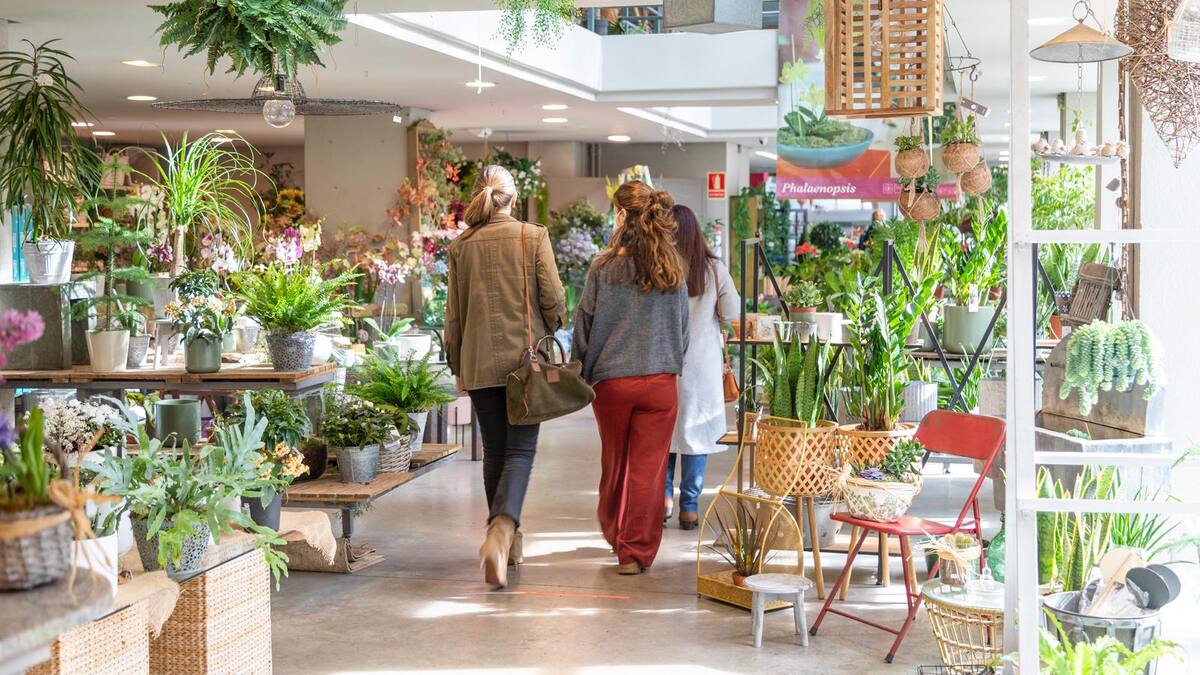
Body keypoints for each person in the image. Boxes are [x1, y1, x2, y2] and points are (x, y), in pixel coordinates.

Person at [445, 165, 566, 589]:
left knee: (495, 451)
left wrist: (457, 365)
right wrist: (555, 322)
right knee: (520, 451)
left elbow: (454, 315)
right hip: (525, 364)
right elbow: (553, 298)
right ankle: (500, 532)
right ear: (513, 199)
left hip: (478, 362)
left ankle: (509, 544)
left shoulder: (461, 246)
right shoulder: (532, 236)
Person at [571, 181, 689, 575]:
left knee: (615, 462)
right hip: (660, 382)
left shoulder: (603, 267)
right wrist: (670, 361)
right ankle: (634, 553)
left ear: (621, 215)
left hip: (613, 383)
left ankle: (613, 530)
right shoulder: (671, 268)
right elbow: (683, 329)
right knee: (648, 472)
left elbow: (584, 323)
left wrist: (580, 368)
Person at [664, 204, 740, 530]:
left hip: (665, 362)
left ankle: (663, 501)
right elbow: (732, 312)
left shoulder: (658, 268)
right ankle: (690, 508)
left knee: (664, 434)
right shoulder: (713, 268)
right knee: (695, 434)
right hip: (702, 364)